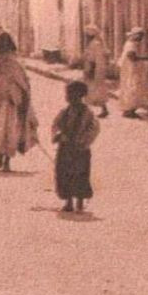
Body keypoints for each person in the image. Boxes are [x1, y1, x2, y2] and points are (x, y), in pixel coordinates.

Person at [0, 31, 37, 172]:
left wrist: (24, 99)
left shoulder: (15, 61)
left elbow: (24, 82)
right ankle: (0, 153)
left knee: (11, 131)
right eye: (1, 42)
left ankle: (6, 159)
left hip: (13, 102)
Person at [51, 80, 100, 213]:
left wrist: (83, 141)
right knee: (64, 173)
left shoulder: (87, 113)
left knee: (80, 174)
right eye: (67, 94)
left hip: (80, 150)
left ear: (80, 95)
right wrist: (58, 135)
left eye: (71, 94)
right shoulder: (64, 112)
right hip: (65, 148)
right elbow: (55, 125)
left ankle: (79, 200)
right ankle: (68, 201)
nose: (68, 97)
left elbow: (94, 128)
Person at [116, 27, 148, 119]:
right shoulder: (131, 45)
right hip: (130, 69)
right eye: (140, 36)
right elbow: (132, 57)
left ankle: (130, 109)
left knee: (131, 87)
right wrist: (145, 58)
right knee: (132, 87)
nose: (141, 38)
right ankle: (129, 109)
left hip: (130, 69)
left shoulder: (131, 43)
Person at [81, 25, 112, 118]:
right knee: (92, 89)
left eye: (87, 34)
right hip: (92, 69)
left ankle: (101, 109)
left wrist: (91, 70)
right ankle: (100, 109)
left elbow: (95, 59)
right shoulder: (94, 43)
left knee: (94, 89)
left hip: (94, 70)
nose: (85, 36)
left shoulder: (96, 44)